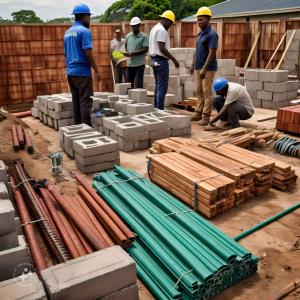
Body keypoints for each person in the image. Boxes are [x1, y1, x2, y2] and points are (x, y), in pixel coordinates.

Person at [64, 3, 100, 126]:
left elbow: (66, 53)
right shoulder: (84, 31)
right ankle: (86, 130)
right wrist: (96, 70)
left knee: (76, 101)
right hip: (82, 73)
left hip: (71, 73)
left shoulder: (67, 32)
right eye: (88, 17)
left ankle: (78, 128)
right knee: (85, 102)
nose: (89, 19)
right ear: (83, 16)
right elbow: (88, 53)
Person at [190, 7, 218, 125]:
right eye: (198, 20)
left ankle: (206, 116)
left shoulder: (212, 34)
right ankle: (198, 112)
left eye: (201, 20)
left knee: (207, 92)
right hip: (198, 67)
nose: (199, 22)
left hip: (208, 68)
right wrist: (192, 65)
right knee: (198, 91)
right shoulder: (200, 34)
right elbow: (197, 51)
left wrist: (204, 69)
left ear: (208, 19)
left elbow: (212, 53)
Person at [149, 10, 179, 110]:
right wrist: (174, 59)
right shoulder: (162, 30)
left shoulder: (154, 28)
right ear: (166, 20)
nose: (170, 26)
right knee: (162, 87)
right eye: (170, 23)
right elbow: (162, 48)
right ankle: (160, 109)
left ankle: (156, 108)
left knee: (158, 85)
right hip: (161, 61)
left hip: (154, 60)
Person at [124, 17, 149, 88]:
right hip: (130, 65)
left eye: (135, 26)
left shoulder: (144, 36)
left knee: (139, 84)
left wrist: (132, 53)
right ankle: (129, 98)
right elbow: (125, 48)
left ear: (139, 25)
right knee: (128, 84)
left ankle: (139, 99)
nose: (133, 27)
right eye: (132, 26)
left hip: (139, 65)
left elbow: (145, 49)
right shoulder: (128, 36)